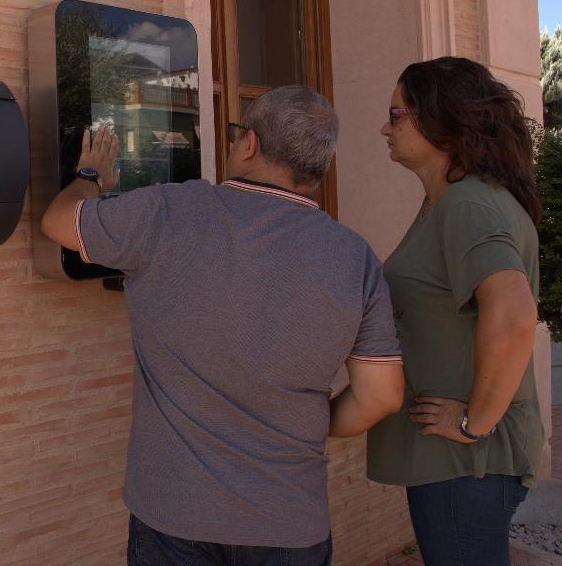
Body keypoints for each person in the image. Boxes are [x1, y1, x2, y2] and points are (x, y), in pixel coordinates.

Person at [41, 85, 404, 566]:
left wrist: (91, 175)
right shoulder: (355, 257)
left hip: (174, 517)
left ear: (248, 144)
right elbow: (382, 396)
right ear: (317, 169)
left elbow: (59, 222)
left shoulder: (169, 212)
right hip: (289, 523)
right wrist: (304, 423)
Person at [366, 57, 545, 566]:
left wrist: (474, 423)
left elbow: (513, 315)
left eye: (396, 114)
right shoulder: (451, 201)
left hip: (467, 463)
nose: (386, 126)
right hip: (459, 465)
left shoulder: (468, 203)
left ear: (439, 120)